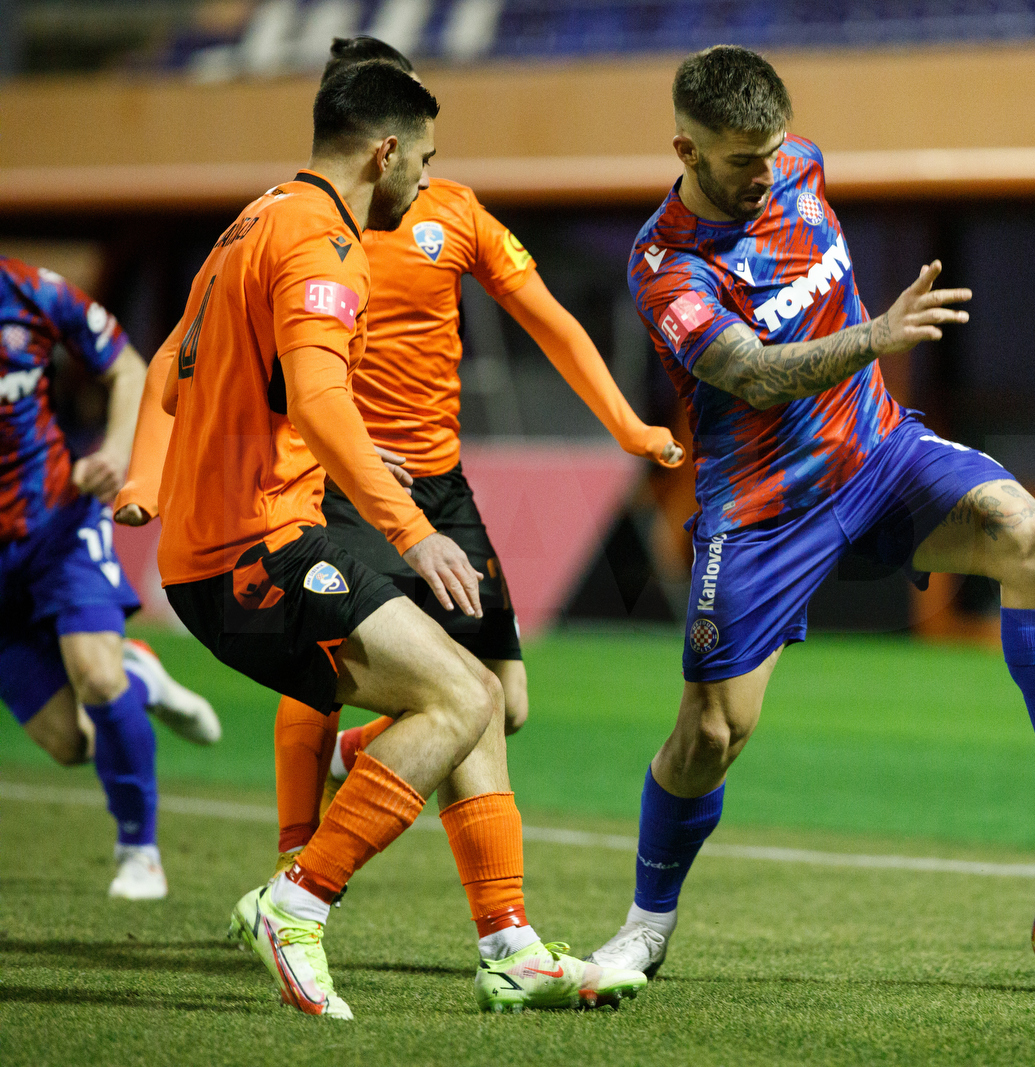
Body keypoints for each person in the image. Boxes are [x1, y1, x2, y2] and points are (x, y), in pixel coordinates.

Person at [585, 45, 1035, 979]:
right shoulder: (666, 265)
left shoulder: (799, 163)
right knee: (710, 736)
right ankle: (646, 925)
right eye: (739, 159)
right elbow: (749, 375)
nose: (765, 173)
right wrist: (874, 337)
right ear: (684, 148)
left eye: (771, 150)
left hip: (877, 454)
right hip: (764, 506)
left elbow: (786, 186)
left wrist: (870, 361)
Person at [116, 60, 645, 1017]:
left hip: (261, 528)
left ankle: (510, 944)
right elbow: (318, 397)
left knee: (474, 695)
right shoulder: (324, 241)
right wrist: (408, 525)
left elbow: (202, 368)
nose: (430, 178)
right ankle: (297, 899)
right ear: (387, 151)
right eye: (425, 158)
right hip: (251, 553)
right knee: (462, 695)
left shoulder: (255, 218)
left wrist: (345, 463)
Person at [0, 254, 219, 901]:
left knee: (96, 674)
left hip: (58, 520)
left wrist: (117, 452)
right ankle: (140, 675)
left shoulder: (31, 291)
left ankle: (139, 851)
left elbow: (127, 367)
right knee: (69, 742)